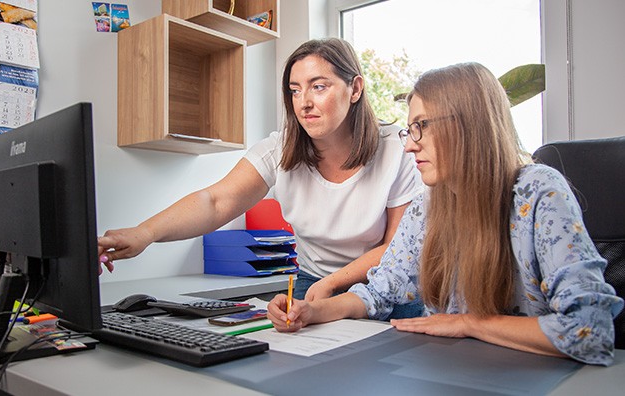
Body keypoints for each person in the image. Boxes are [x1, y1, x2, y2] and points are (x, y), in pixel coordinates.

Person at [267, 62, 624, 365]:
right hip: (453, 367)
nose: (409, 143)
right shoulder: (428, 205)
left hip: (532, 374)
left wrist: (470, 323)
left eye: (421, 126)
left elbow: (590, 329)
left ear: (467, 124)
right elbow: (378, 294)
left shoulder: (537, 190)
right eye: (410, 129)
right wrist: (311, 312)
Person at [98, 38, 423, 304]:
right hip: (312, 282)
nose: (303, 102)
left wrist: (333, 285)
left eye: (318, 87)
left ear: (355, 89)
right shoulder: (280, 149)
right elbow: (215, 201)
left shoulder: (398, 149)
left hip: (382, 285)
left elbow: (395, 248)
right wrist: (145, 233)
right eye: (295, 90)